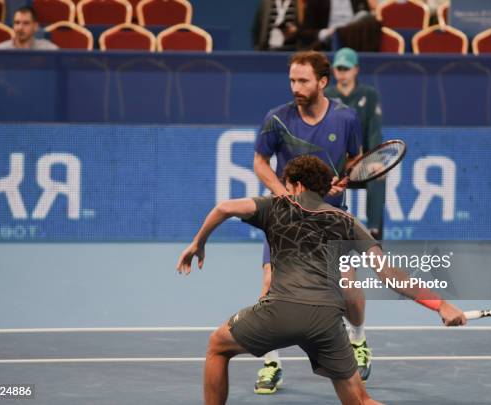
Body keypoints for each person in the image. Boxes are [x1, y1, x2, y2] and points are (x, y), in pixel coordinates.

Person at [176, 155, 467, 405]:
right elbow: (389, 274)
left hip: (281, 311)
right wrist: (440, 305)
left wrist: (198, 243)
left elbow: (224, 207)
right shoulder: (347, 222)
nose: (285, 191)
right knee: (361, 400)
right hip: (327, 320)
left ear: (298, 185)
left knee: (218, 346)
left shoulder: (274, 207)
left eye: (288, 186)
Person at [252, 50, 371, 394]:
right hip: (287, 220)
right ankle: (271, 363)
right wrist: (283, 194)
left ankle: (359, 341)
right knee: (270, 288)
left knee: (350, 293)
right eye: (292, 80)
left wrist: (346, 178)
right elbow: (260, 162)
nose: (296, 87)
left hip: (332, 220)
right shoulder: (277, 118)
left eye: (303, 80)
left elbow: (356, 160)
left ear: (322, 82)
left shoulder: (346, 118)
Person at [326, 47, 385, 239]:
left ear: (356, 70)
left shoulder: (369, 94)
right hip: (333, 164)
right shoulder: (325, 95)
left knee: (378, 174)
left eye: (346, 69)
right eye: (339, 69)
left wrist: (376, 160)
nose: (342, 73)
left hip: (361, 163)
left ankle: (374, 231)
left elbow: (374, 130)